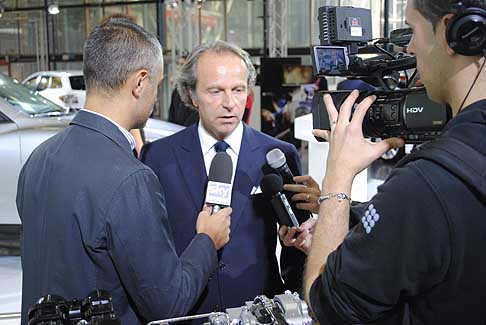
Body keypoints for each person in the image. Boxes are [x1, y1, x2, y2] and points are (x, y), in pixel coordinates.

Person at [16, 18, 232, 325]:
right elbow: (168, 302)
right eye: (156, 86)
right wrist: (207, 240)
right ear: (140, 82)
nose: (156, 98)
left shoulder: (39, 159)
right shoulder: (131, 179)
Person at [282, 0, 486, 323]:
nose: (411, 46)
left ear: (451, 32)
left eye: (414, 30)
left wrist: (338, 177)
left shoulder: (424, 186)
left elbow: (325, 306)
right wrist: (349, 220)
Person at [140, 40, 306, 319]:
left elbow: (297, 244)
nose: (229, 103)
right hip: (187, 312)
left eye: (238, 90)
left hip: (259, 313)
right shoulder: (157, 156)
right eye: (215, 91)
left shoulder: (277, 155)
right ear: (191, 95)